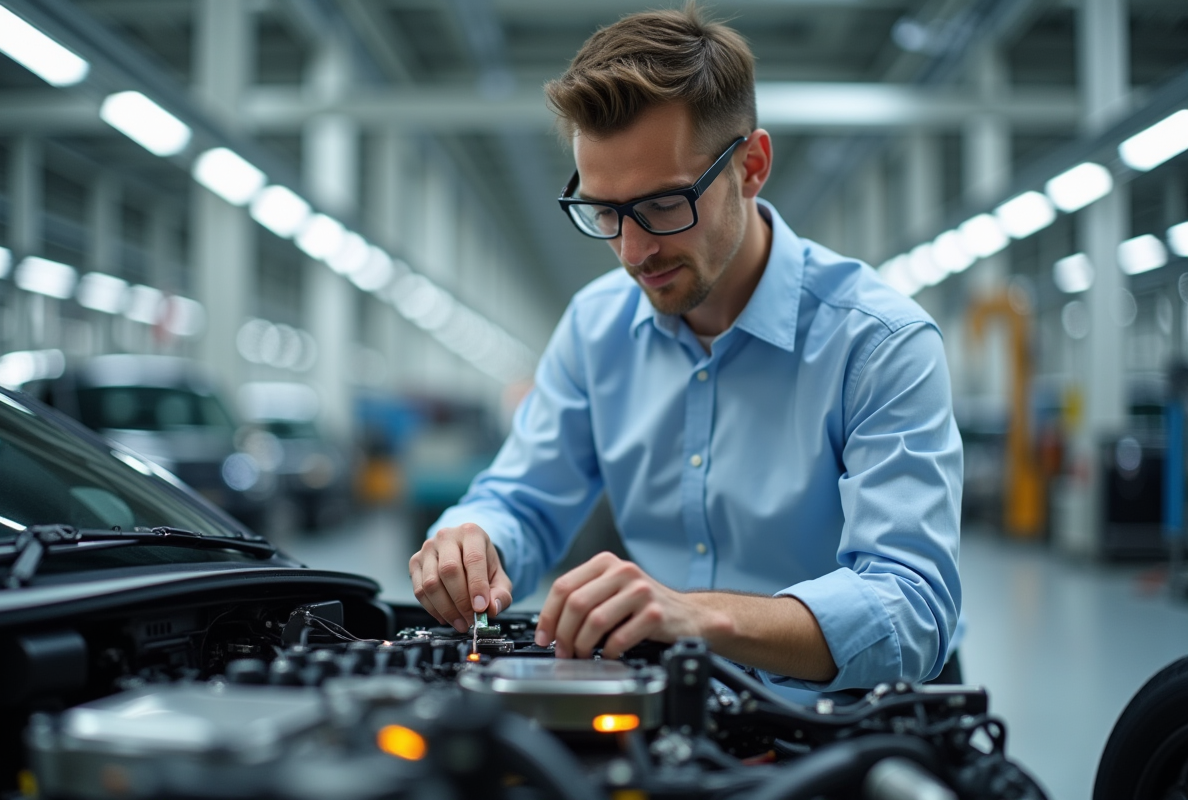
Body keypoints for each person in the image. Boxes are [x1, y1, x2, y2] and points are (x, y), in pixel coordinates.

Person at [409, 5, 962, 694]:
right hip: (667, 709)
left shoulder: (877, 343)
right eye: (604, 211)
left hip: (836, 723)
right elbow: (523, 499)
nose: (633, 251)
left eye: (665, 204)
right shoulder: (595, 328)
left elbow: (914, 608)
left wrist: (698, 618)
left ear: (751, 166)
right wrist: (472, 539)